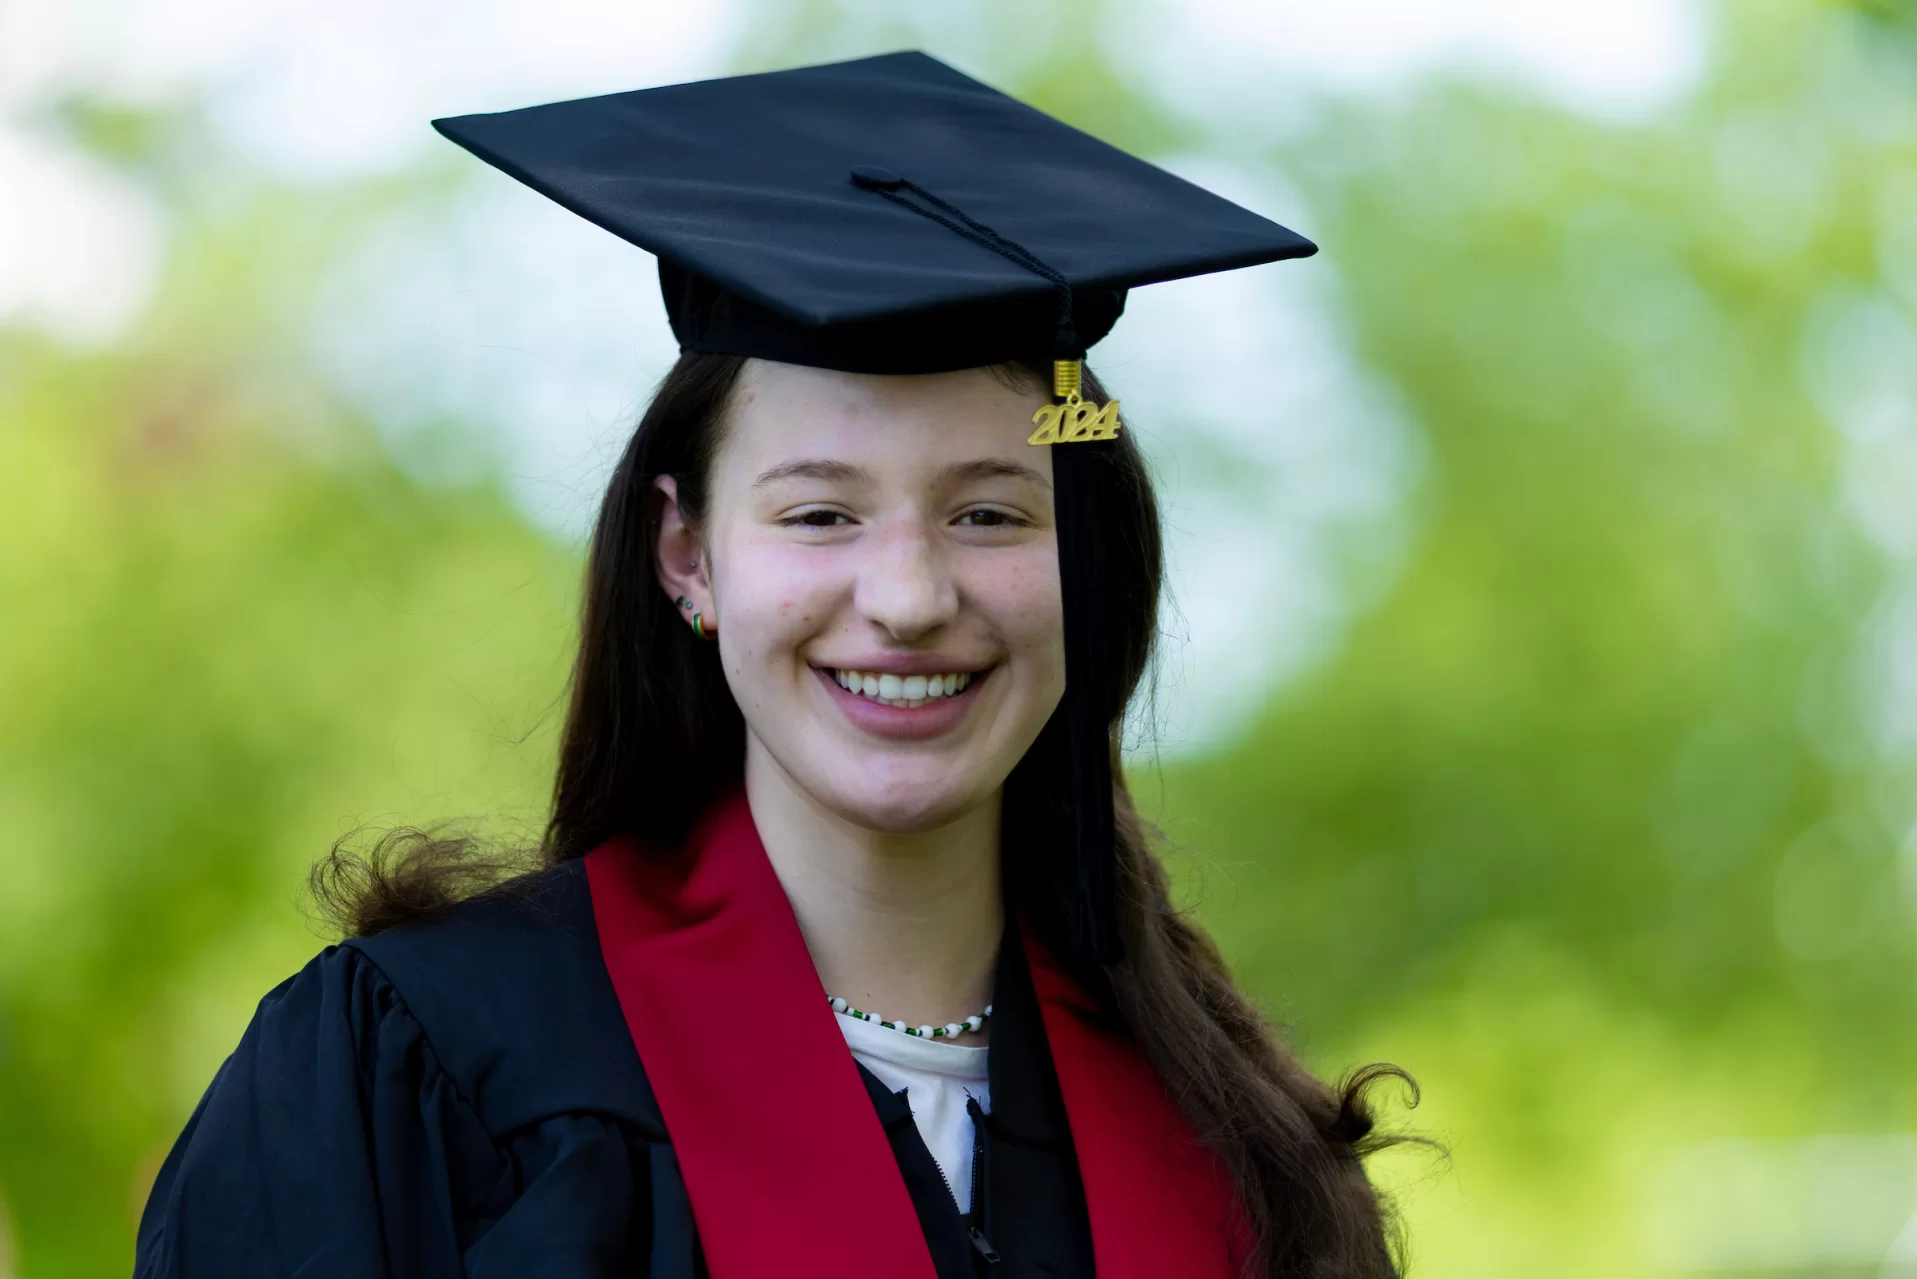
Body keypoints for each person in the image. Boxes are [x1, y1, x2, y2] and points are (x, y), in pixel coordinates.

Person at [133, 51, 1408, 1279]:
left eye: (989, 514)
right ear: (686, 554)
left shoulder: (1241, 1157)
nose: (907, 598)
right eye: (818, 514)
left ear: (1089, 556)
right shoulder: (418, 1070)